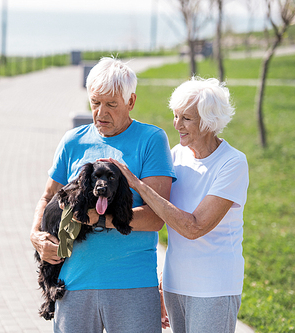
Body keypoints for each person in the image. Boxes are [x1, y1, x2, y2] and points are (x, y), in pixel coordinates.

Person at [30, 56, 176, 332]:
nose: (101, 113)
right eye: (95, 103)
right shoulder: (73, 141)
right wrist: (35, 235)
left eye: (111, 104)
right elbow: (47, 196)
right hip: (73, 283)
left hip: (131, 285)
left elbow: (156, 218)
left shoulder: (151, 140)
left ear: (131, 102)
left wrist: (93, 220)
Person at [105, 76, 249, 333]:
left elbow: (194, 227)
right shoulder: (175, 156)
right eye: (175, 116)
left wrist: (139, 185)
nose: (177, 125)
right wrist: (162, 284)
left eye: (187, 118)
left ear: (208, 121)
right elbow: (169, 224)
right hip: (175, 285)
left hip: (214, 288)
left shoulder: (232, 163)